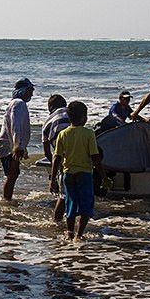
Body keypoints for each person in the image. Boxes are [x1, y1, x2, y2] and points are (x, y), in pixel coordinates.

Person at [49, 101, 107, 241]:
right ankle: (79, 235)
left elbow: (57, 158)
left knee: (70, 204)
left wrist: (52, 179)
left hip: (68, 174)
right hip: (84, 174)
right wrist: (104, 177)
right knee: (85, 205)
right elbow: (95, 157)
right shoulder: (88, 133)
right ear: (82, 117)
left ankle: (69, 233)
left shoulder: (62, 134)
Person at [0, 78, 34, 200]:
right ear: (24, 90)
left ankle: (7, 199)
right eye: (30, 90)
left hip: (10, 144)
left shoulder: (16, 103)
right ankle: (7, 200)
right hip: (8, 145)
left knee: (13, 174)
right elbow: (15, 126)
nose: (32, 94)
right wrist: (18, 146)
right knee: (12, 174)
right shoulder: (18, 103)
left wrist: (22, 147)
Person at [42, 94, 71, 221]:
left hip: (62, 160)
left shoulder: (47, 122)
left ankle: (56, 223)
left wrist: (56, 169)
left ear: (50, 107)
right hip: (79, 158)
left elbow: (47, 152)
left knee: (62, 196)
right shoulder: (72, 113)